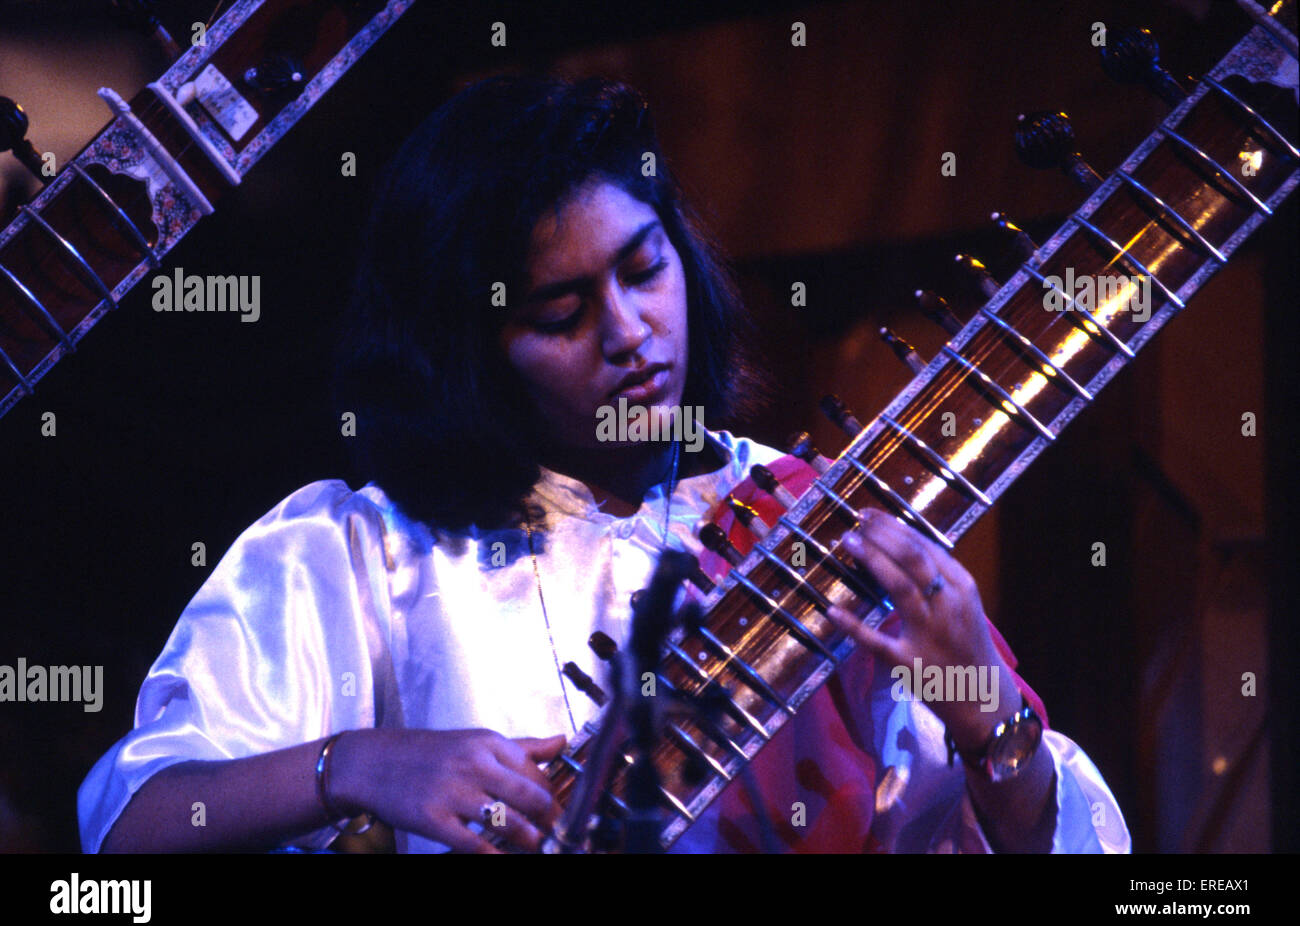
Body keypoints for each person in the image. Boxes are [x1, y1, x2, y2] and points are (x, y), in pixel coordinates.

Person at [78, 75, 1129, 854]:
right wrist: (355, 763)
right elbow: (127, 833)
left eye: (643, 268)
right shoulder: (353, 552)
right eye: (561, 312)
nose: (630, 333)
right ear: (467, 346)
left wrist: (986, 705)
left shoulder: (820, 531)